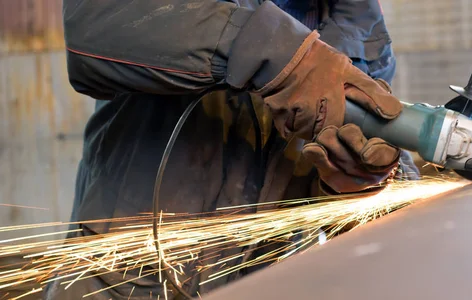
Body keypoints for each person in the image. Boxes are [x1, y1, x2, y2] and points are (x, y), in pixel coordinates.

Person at [44, 0, 420, 298]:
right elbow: (93, 24)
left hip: (266, 283)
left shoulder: (360, 27)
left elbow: (375, 187)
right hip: (122, 281)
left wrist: (358, 183)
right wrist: (277, 52)